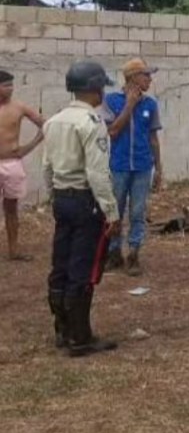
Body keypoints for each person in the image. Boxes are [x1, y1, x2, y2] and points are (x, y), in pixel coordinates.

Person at [42, 60, 121, 356]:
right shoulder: (92, 123)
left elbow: (47, 167)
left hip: (63, 198)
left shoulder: (55, 121)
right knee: (83, 267)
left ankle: (62, 329)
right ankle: (80, 336)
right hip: (86, 200)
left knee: (60, 264)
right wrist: (111, 211)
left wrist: (54, 197)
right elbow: (97, 173)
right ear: (94, 89)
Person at [100, 58, 162, 276]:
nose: (150, 79)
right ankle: (114, 252)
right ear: (133, 77)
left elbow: (153, 138)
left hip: (143, 166)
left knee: (137, 211)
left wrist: (158, 167)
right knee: (114, 210)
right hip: (119, 165)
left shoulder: (150, 104)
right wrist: (130, 105)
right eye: (146, 75)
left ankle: (134, 253)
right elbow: (113, 131)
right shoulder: (111, 101)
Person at [0, 70, 45, 261]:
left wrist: (28, 147)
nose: (10, 89)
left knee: (11, 208)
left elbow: (45, 125)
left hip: (12, 163)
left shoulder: (19, 107)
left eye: (11, 85)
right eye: (6, 85)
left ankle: (13, 250)